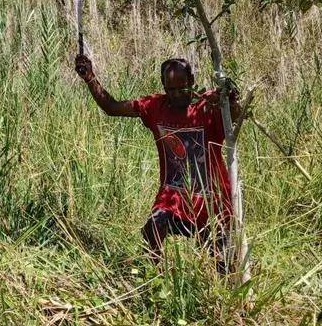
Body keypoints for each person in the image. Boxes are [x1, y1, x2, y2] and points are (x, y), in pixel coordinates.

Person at [74, 54, 240, 267]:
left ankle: (223, 296)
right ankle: (154, 282)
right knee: (153, 228)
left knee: (222, 262)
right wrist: (90, 78)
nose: (177, 94)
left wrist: (231, 101)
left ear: (191, 81)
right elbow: (111, 107)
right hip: (173, 199)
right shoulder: (154, 107)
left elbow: (234, 116)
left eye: (182, 88)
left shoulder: (208, 104)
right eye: (171, 90)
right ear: (163, 86)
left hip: (212, 203)